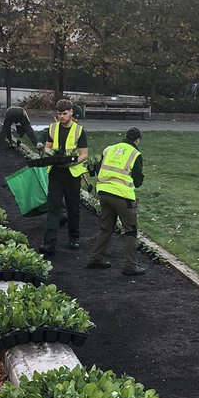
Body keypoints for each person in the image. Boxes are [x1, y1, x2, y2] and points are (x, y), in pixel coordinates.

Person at [86, 127, 146, 276]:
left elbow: (99, 169)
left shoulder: (110, 149)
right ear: (137, 140)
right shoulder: (135, 154)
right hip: (122, 196)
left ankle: (96, 258)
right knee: (130, 230)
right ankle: (131, 266)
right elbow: (137, 181)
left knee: (106, 228)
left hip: (104, 193)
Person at [40, 99, 88, 254]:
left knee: (73, 207)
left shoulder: (79, 131)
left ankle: (74, 239)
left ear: (71, 112)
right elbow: (47, 146)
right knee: (53, 207)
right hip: (55, 172)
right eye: (59, 114)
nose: (61, 117)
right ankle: (49, 244)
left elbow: (84, 155)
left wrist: (71, 161)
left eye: (64, 113)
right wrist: (52, 153)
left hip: (72, 174)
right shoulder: (52, 128)